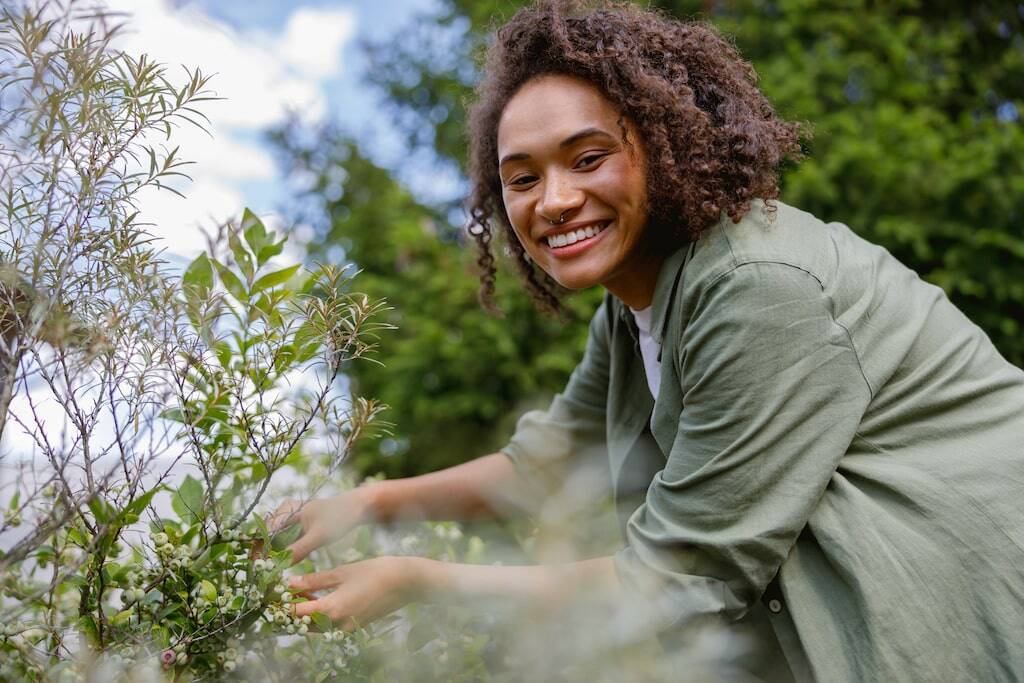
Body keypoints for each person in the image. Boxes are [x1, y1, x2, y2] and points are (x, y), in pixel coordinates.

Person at [271, 1, 1024, 680]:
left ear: (663, 146)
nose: (556, 200)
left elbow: (681, 575)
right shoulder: (637, 311)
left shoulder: (760, 288)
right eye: (522, 178)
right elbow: (544, 467)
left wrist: (418, 579)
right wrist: (367, 503)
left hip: (977, 599)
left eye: (588, 158)